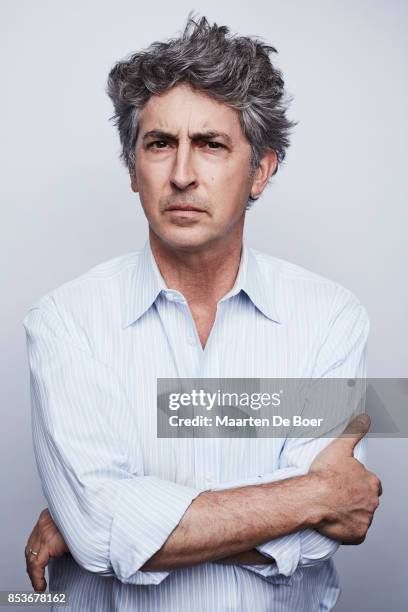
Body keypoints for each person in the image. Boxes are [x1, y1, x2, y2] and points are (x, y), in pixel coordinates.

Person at [23, 15, 381, 612]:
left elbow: (321, 539)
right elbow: (96, 528)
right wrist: (311, 496)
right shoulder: (66, 320)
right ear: (134, 170)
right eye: (160, 144)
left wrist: (124, 529)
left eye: (211, 145)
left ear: (261, 170)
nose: (182, 174)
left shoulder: (330, 319)